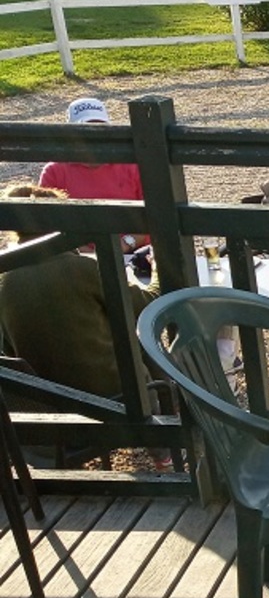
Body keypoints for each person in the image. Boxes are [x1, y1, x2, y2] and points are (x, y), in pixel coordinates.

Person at [0, 184, 172, 470]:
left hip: (49, 410)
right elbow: (146, 304)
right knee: (140, 339)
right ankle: (163, 449)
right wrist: (157, 272)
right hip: (112, 401)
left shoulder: (4, 279)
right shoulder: (81, 269)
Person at [39, 98, 148, 253]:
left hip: (134, 252)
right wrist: (82, 252)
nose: (94, 137)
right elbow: (46, 225)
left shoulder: (132, 165)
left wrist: (124, 245)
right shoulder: (54, 172)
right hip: (76, 258)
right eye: (86, 130)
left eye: (101, 129)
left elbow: (154, 216)